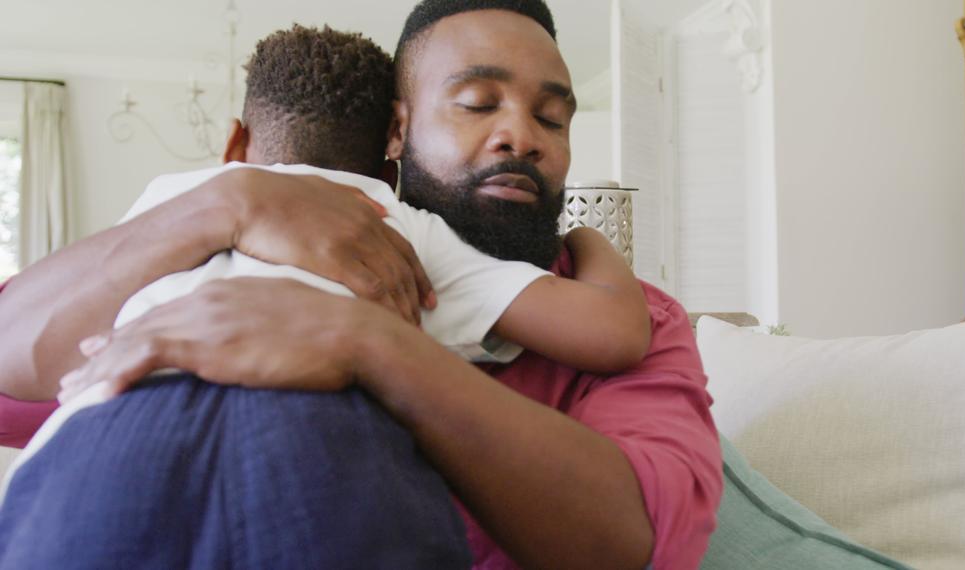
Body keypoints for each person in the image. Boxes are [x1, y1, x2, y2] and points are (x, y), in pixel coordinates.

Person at [0, 1, 724, 568]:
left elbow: (635, 543)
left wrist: (368, 343)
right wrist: (229, 205)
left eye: (553, 117)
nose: (521, 136)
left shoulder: (642, 321)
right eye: (477, 102)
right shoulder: (187, 233)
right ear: (395, 134)